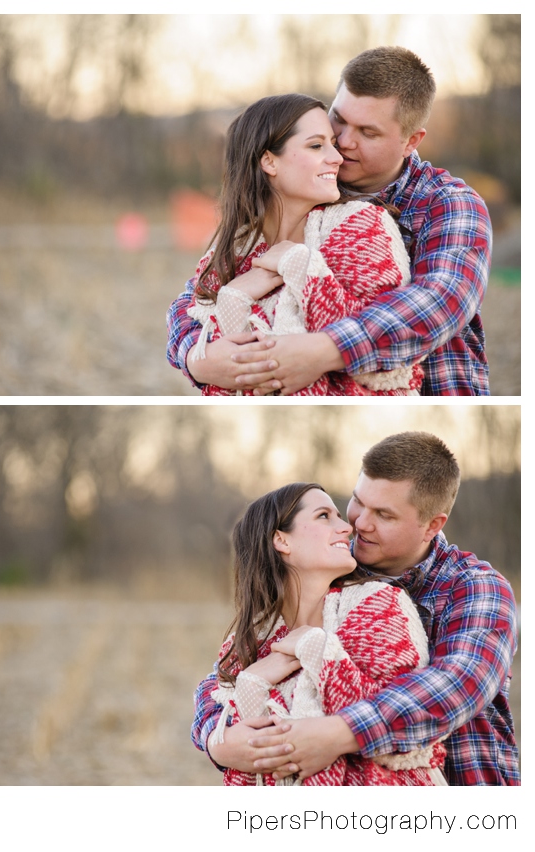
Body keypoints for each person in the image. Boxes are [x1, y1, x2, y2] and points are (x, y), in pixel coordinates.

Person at [192, 432, 519, 786]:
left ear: (432, 525)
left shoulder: (472, 586)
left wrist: (334, 734)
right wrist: (217, 740)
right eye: (358, 501)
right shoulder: (334, 569)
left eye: (383, 514)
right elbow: (223, 677)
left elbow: (458, 683)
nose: (357, 523)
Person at [167, 47, 491, 396]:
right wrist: (196, 358)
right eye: (339, 119)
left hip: (432, 394)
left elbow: (440, 301)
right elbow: (195, 296)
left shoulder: (447, 202)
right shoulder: (305, 188)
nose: (344, 144)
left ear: (411, 141)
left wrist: (322, 351)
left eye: (368, 132)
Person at [208, 481, 447, 785]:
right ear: (281, 540)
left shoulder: (376, 605)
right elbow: (250, 772)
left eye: (338, 514)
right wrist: (251, 685)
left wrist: (318, 651)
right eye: (324, 516)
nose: (347, 528)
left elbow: (406, 735)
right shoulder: (250, 641)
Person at [184, 93, 422, 396]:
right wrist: (234, 296)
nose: (337, 158)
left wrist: (302, 267)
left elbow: (385, 360)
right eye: (316, 145)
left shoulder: (360, 227)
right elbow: (229, 379)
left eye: (332, 144)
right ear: (269, 161)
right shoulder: (234, 251)